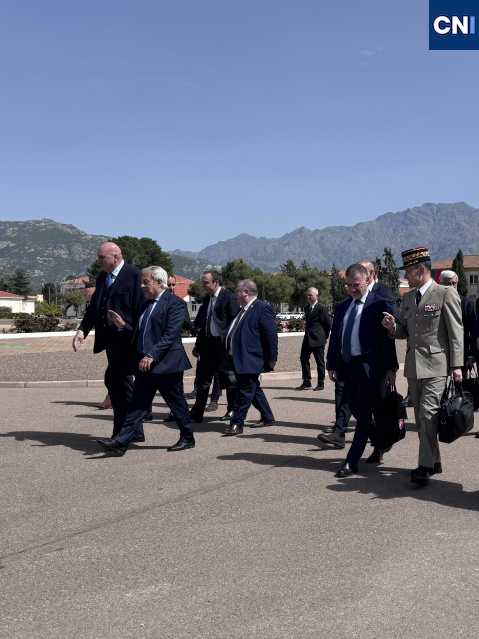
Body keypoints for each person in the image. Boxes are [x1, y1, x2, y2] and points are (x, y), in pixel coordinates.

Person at [382, 246, 463, 485]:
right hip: (414, 366)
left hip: (437, 364)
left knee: (428, 413)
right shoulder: (408, 297)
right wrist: (393, 328)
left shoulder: (445, 294)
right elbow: (406, 331)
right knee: (421, 417)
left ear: (420, 269)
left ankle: (424, 466)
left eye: (408, 271)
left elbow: (456, 331)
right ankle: (435, 461)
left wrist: (456, 365)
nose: (405, 276)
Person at [96, 266, 195, 455]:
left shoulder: (175, 304)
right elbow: (141, 333)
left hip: (167, 364)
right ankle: (121, 442)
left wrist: (151, 355)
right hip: (145, 365)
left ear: (159, 282)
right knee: (137, 405)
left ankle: (187, 437)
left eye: (145, 282)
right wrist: (123, 325)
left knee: (176, 403)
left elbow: (170, 335)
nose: (141, 286)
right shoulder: (146, 304)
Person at [319, 259, 399, 465]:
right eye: (348, 285)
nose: (352, 289)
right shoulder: (343, 306)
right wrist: (331, 363)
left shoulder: (379, 304)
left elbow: (387, 340)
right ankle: (381, 441)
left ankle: (351, 461)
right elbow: (335, 337)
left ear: (367, 280)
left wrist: (392, 367)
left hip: (370, 368)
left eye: (356, 285)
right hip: (348, 367)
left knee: (363, 413)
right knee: (354, 409)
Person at [72, 242, 143, 437]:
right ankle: (134, 431)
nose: (98, 261)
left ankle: (121, 433)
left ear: (116, 257)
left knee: (115, 381)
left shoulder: (134, 276)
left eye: (101, 257)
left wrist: (130, 329)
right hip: (110, 341)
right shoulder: (103, 276)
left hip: (128, 340)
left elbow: (141, 310)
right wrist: (82, 330)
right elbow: (95, 306)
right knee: (123, 385)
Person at [223, 279, 278, 436]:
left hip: (251, 358)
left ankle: (237, 423)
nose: (235, 294)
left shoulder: (262, 308)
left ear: (246, 293)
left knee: (245, 391)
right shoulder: (241, 310)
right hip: (238, 358)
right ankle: (267, 416)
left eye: (237, 291)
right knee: (253, 388)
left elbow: (271, 336)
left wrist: (272, 358)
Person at [190, 271, 239, 423]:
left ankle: (232, 409)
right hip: (208, 345)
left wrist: (232, 345)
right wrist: (198, 345)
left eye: (206, 283)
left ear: (216, 282)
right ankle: (197, 412)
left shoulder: (229, 297)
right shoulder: (206, 300)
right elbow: (204, 324)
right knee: (203, 380)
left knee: (229, 379)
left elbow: (235, 322)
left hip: (223, 346)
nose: (203, 285)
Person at [439, 270, 475, 371]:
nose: (451, 286)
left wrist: (471, 355)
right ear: (441, 284)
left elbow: (472, 330)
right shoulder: (435, 303)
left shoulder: (466, 303)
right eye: (447, 284)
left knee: (460, 381)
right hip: (439, 353)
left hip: (462, 354)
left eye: (453, 283)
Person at [295, 287, 331, 391]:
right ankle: (307, 381)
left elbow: (327, 324)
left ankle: (320, 383)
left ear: (316, 296)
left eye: (311, 295)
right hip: (307, 338)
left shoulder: (321, 308)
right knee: (303, 359)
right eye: (307, 295)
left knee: (320, 362)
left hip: (318, 339)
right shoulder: (307, 308)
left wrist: (324, 336)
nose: (308, 297)